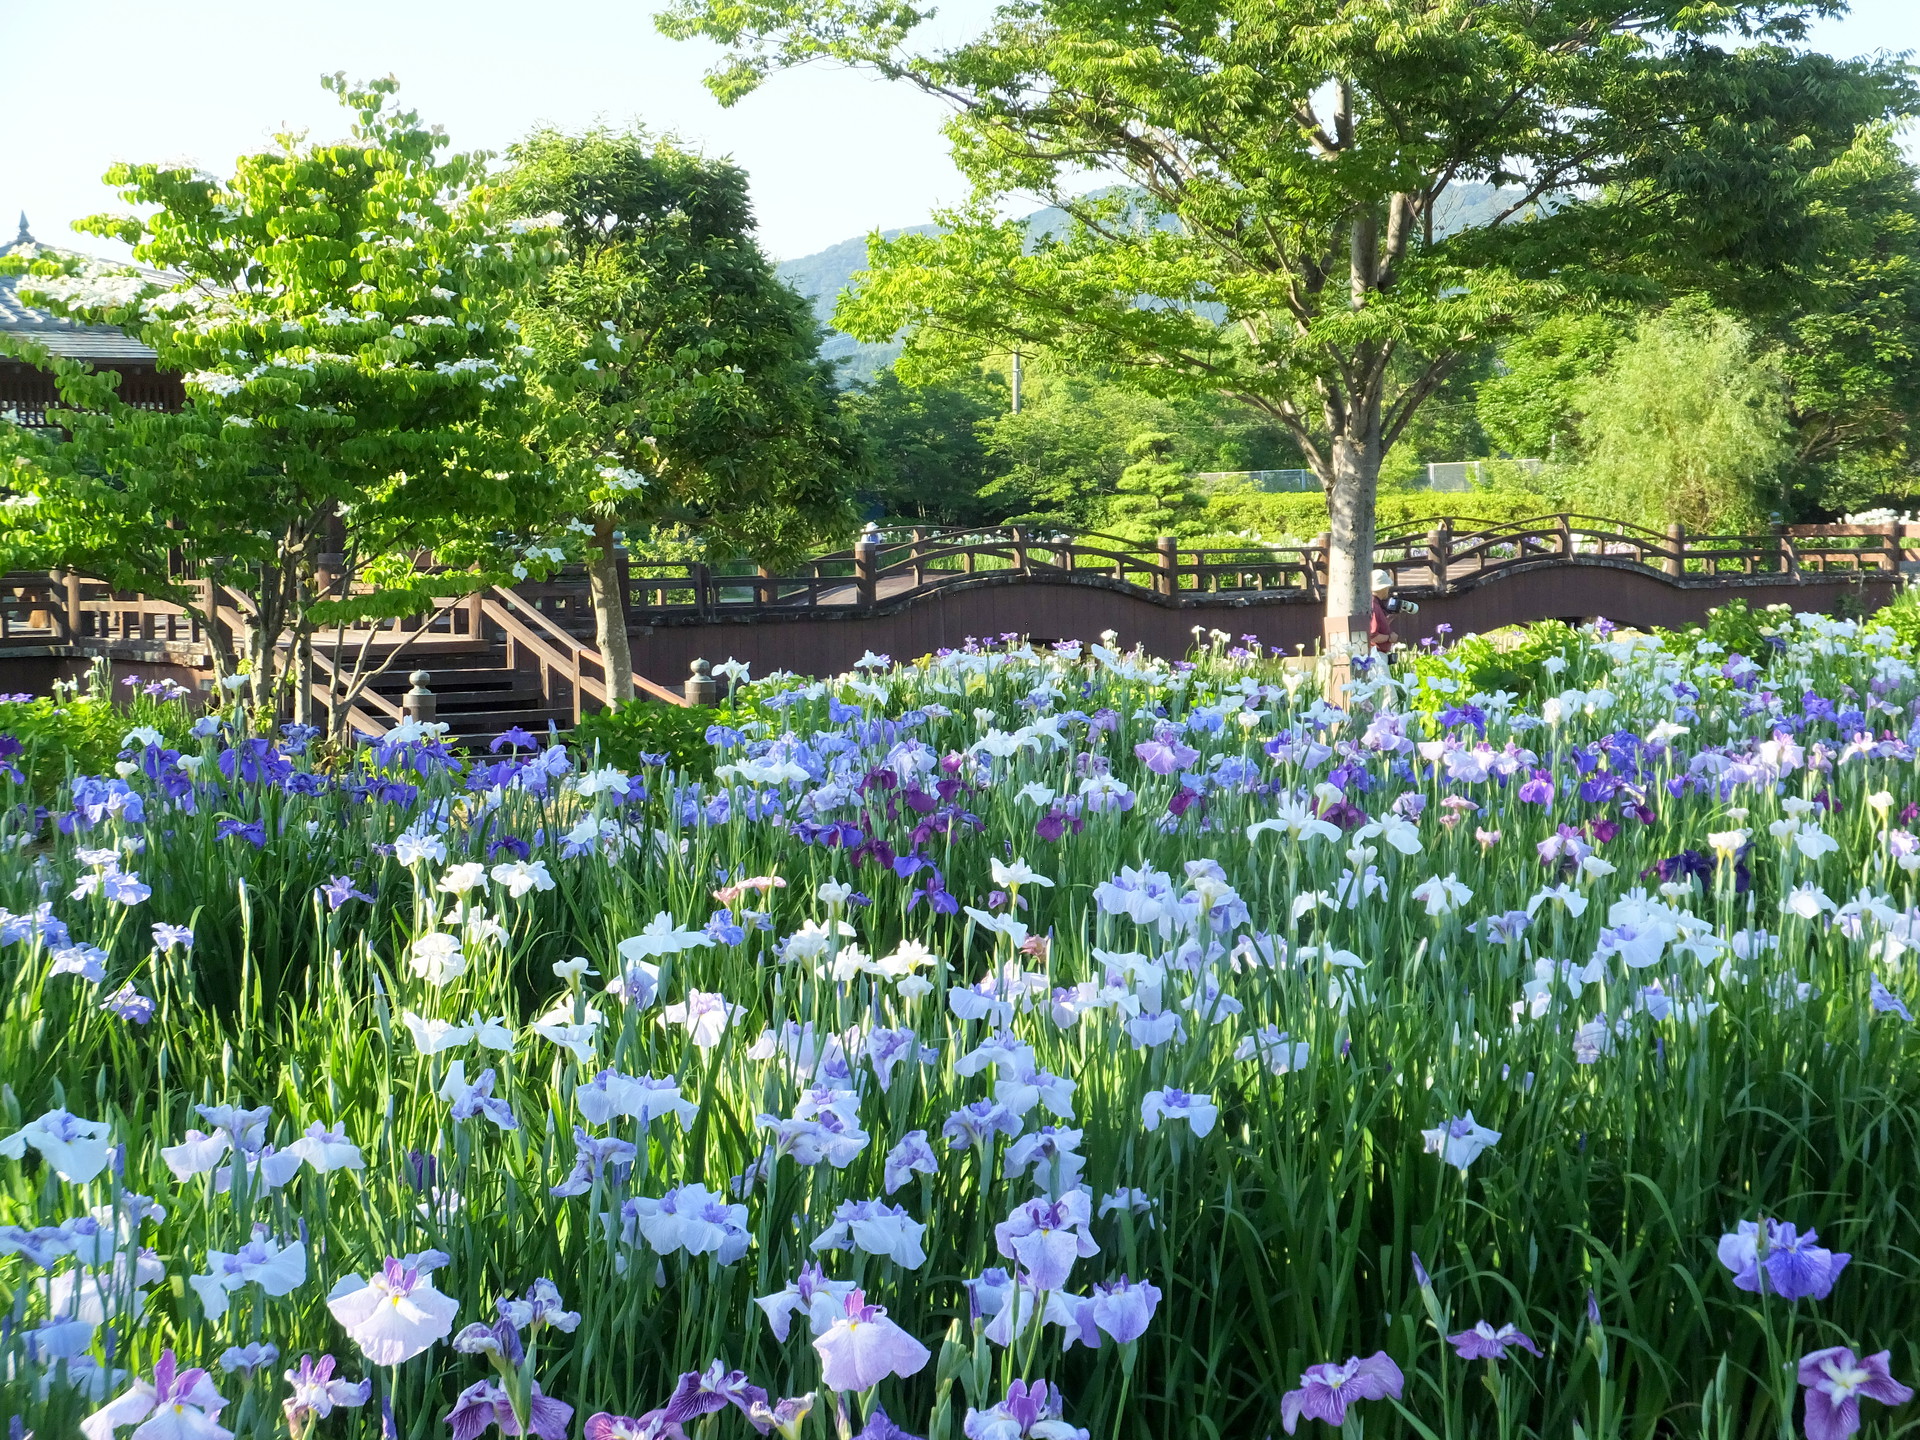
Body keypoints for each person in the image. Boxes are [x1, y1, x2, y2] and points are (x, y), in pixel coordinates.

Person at [1369, 569, 1419, 651]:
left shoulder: (1374, 603)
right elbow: (1372, 636)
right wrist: (1389, 637)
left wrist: (1391, 616)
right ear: (1383, 588)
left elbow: (1378, 629)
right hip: (1376, 654)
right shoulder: (1374, 606)